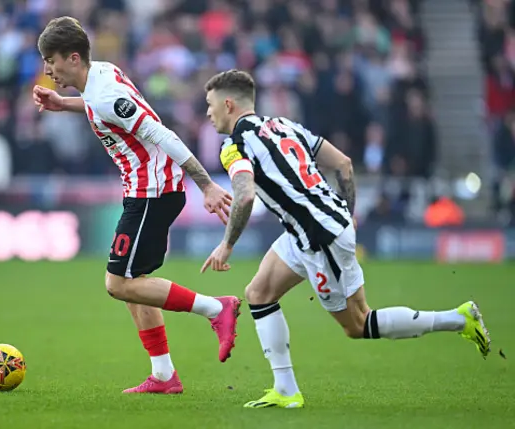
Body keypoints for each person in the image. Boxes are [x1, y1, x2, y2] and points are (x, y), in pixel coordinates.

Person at [200, 70, 491, 409]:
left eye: (210, 105)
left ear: (229, 104)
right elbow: (344, 164)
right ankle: (286, 390)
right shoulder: (284, 125)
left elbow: (245, 195)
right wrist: (346, 213)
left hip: (320, 237)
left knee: (358, 323)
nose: (208, 113)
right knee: (258, 294)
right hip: (311, 229)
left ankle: (458, 319)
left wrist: (227, 245)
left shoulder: (234, 146)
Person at [33, 17, 241, 394]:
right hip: (143, 190)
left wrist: (207, 184)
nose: (48, 69)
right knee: (134, 283)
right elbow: (102, 109)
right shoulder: (100, 76)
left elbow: (161, 132)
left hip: (153, 191)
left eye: (52, 60)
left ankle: (217, 308)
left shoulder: (105, 93)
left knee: (117, 284)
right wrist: (65, 104)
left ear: (74, 57)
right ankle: (163, 376)